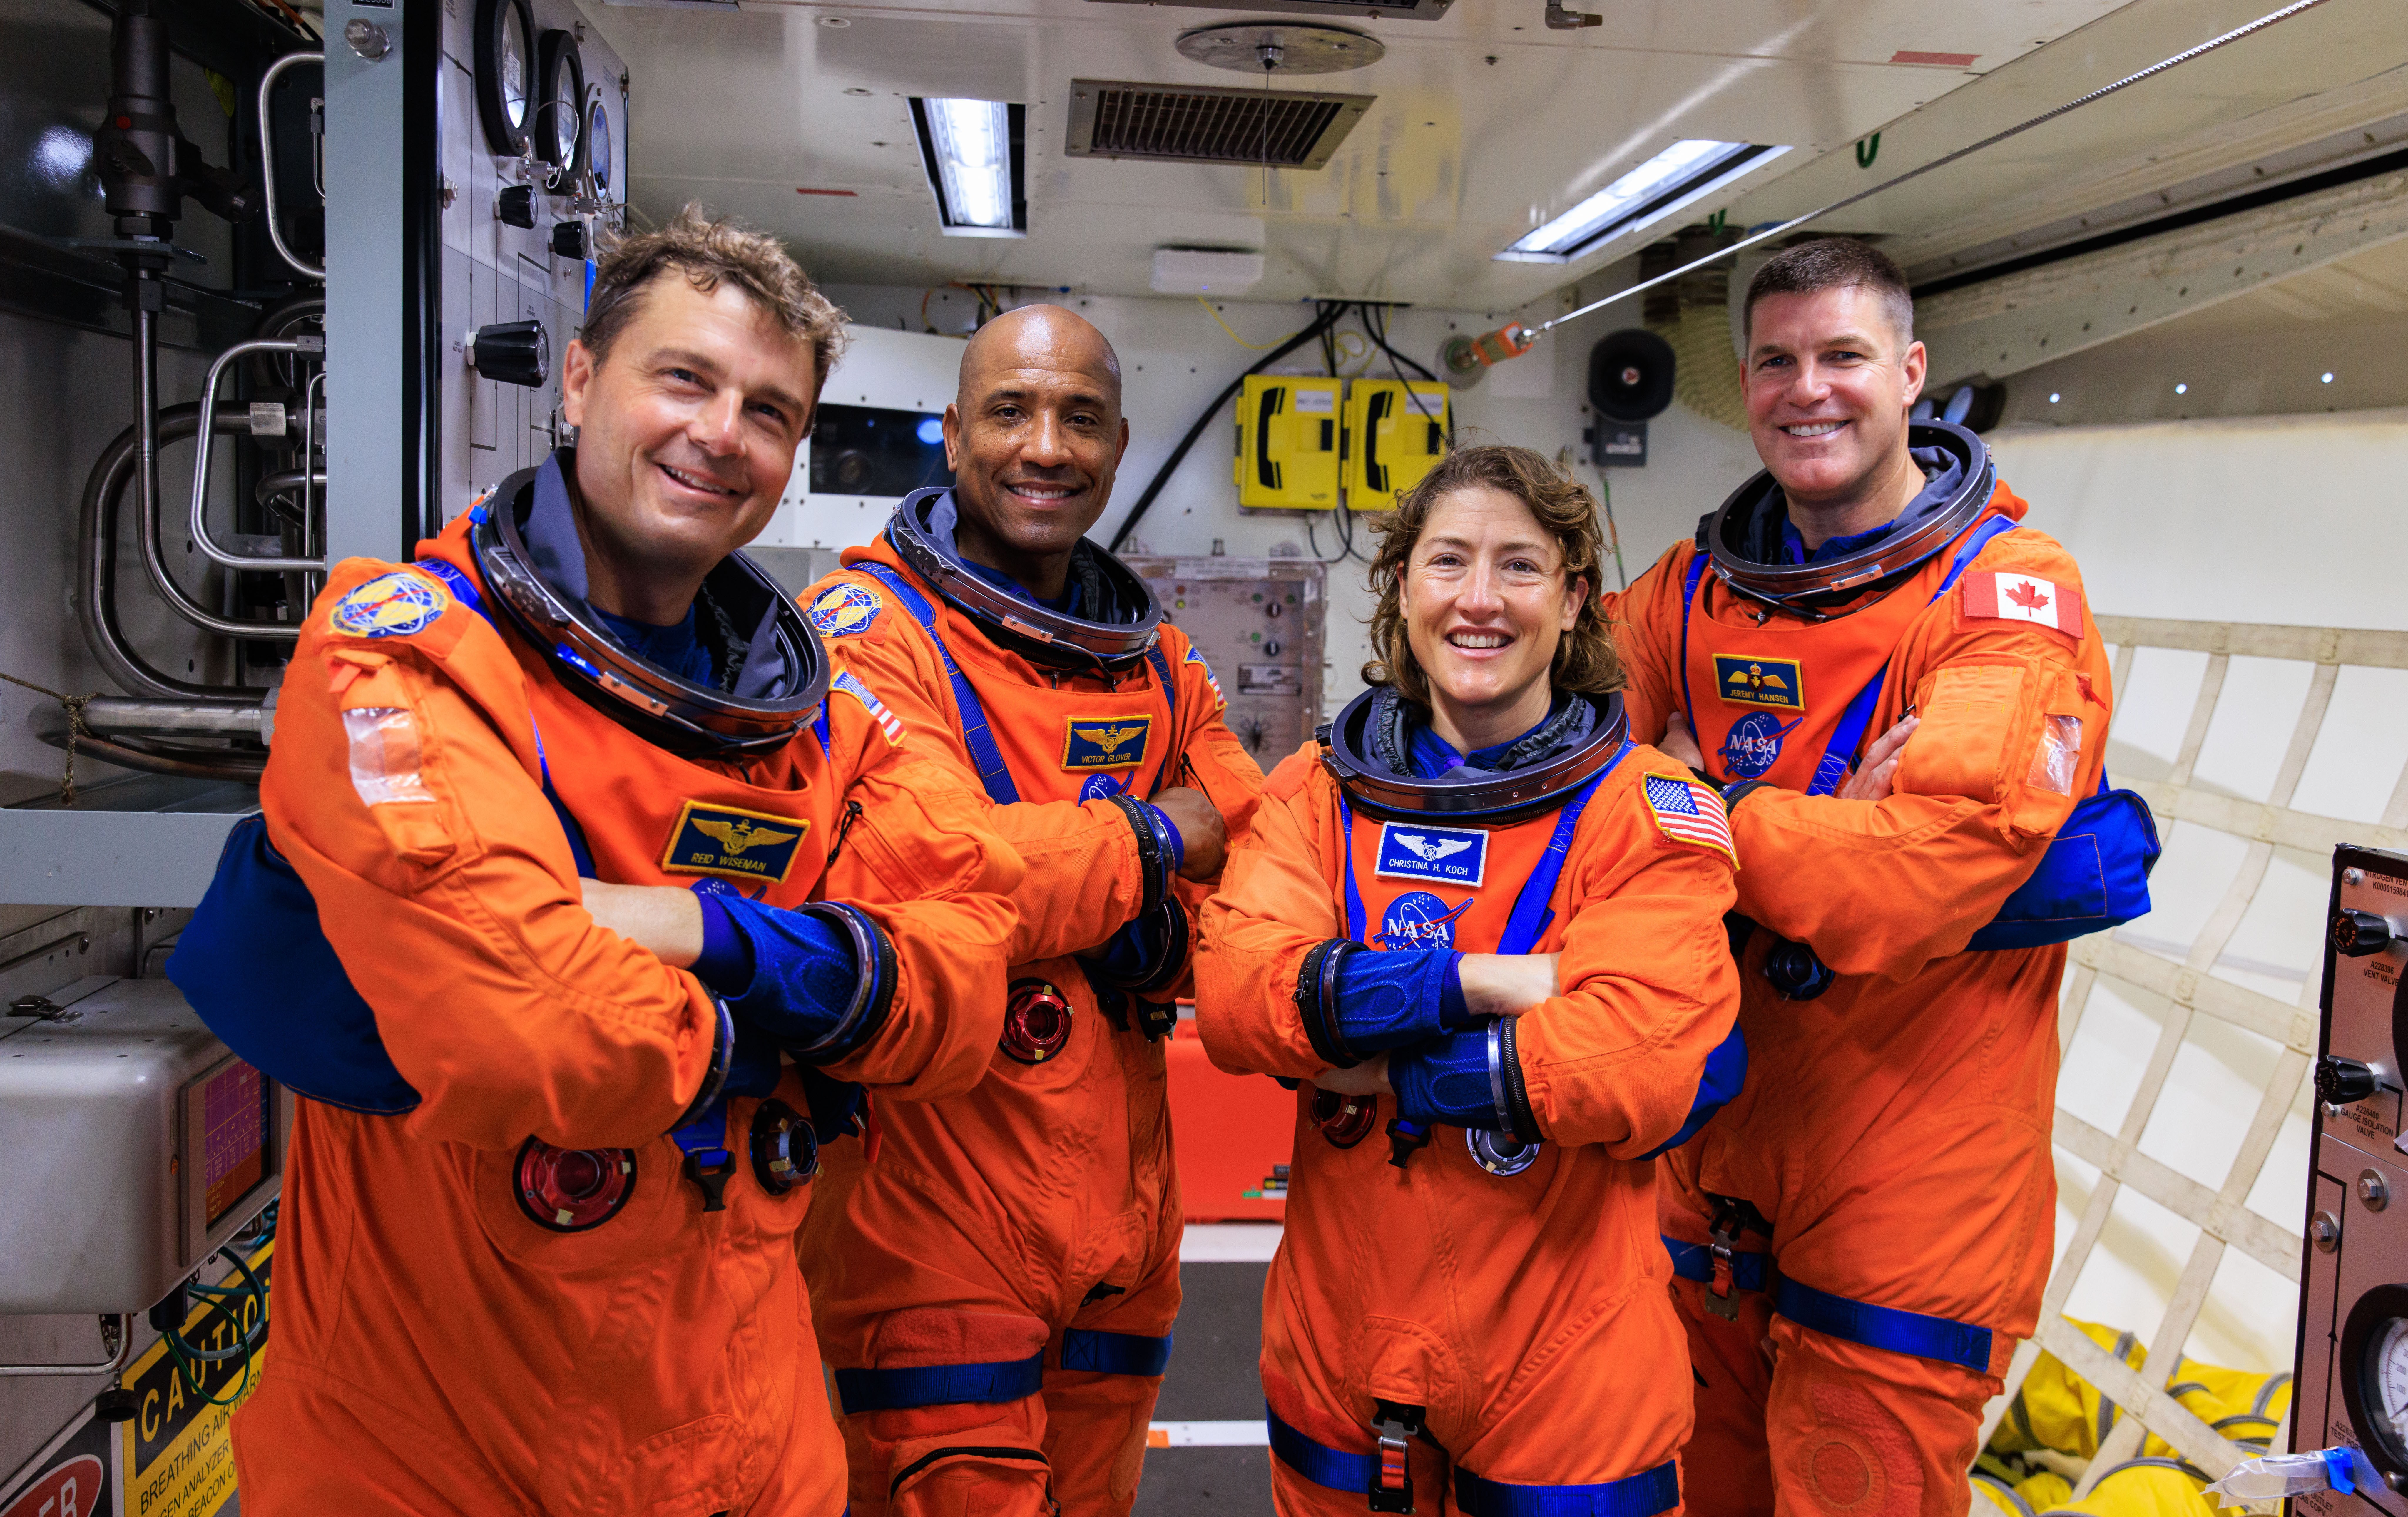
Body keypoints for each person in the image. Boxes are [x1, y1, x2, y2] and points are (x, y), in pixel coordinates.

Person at [170, 206, 1023, 1517]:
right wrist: (808, 1012)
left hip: (749, 1439)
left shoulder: (828, 719)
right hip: (441, 1454)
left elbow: (960, 989)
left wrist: (695, 933)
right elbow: (536, 1033)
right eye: (682, 377)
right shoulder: (400, 655)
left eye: (768, 411)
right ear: (579, 380)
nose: (718, 434)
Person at [1603, 237, 2121, 1516]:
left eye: (1840, 356)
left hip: (1911, 1167)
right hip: (1706, 1149)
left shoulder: (2004, 595)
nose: (1806, 390)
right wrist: (1824, 826)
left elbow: (1922, 875)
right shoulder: (1683, 595)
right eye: (1774, 362)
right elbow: (1560, 800)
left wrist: (1698, 804)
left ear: (1908, 372)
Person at [1194, 445, 1747, 1516]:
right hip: (1338, 1337)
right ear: (1402, 587)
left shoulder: (1649, 806)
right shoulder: (1318, 792)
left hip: (1568, 1350)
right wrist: (1497, 984)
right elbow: (1235, 997)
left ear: (1575, 596)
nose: (1479, 601)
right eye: (1448, 562)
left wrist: (1372, 1058)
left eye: (1520, 567)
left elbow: (1640, 1060)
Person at [793, 304, 1264, 1516]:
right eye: (1009, 411)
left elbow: (1261, 866)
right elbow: (920, 871)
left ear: (1116, 447)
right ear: (952, 435)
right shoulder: (869, 630)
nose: (1044, 445)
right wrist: (1156, 839)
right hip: (928, 1213)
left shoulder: (1156, 658)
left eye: (1079, 418)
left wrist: (1124, 915)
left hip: (1122, 1220)